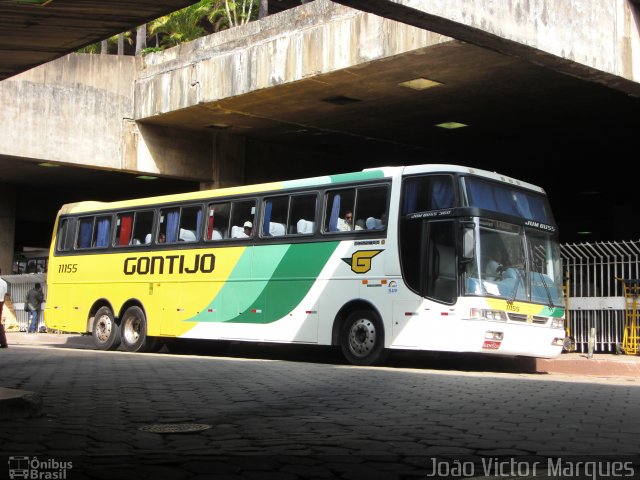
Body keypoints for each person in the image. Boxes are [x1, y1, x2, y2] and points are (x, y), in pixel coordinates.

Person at [0, 268, 8, 348]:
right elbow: (5, 293)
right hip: (1, 302)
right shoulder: (4, 283)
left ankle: (3, 342)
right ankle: (3, 342)